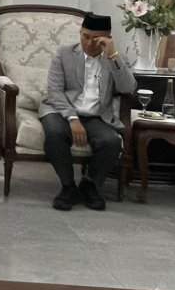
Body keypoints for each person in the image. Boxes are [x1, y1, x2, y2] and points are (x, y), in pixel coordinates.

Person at [39, 12, 137, 211]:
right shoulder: (64, 54)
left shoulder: (116, 59)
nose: (90, 43)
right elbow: (55, 91)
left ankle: (89, 185)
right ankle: (68, 187)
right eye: (85, 36)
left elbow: (128, 88)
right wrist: (72, 118)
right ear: (80, 33)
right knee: (54, 134)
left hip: (95, 115)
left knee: (111, 142)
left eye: (96, 39)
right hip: (60, 110)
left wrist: (113, 56)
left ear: (108, 38)